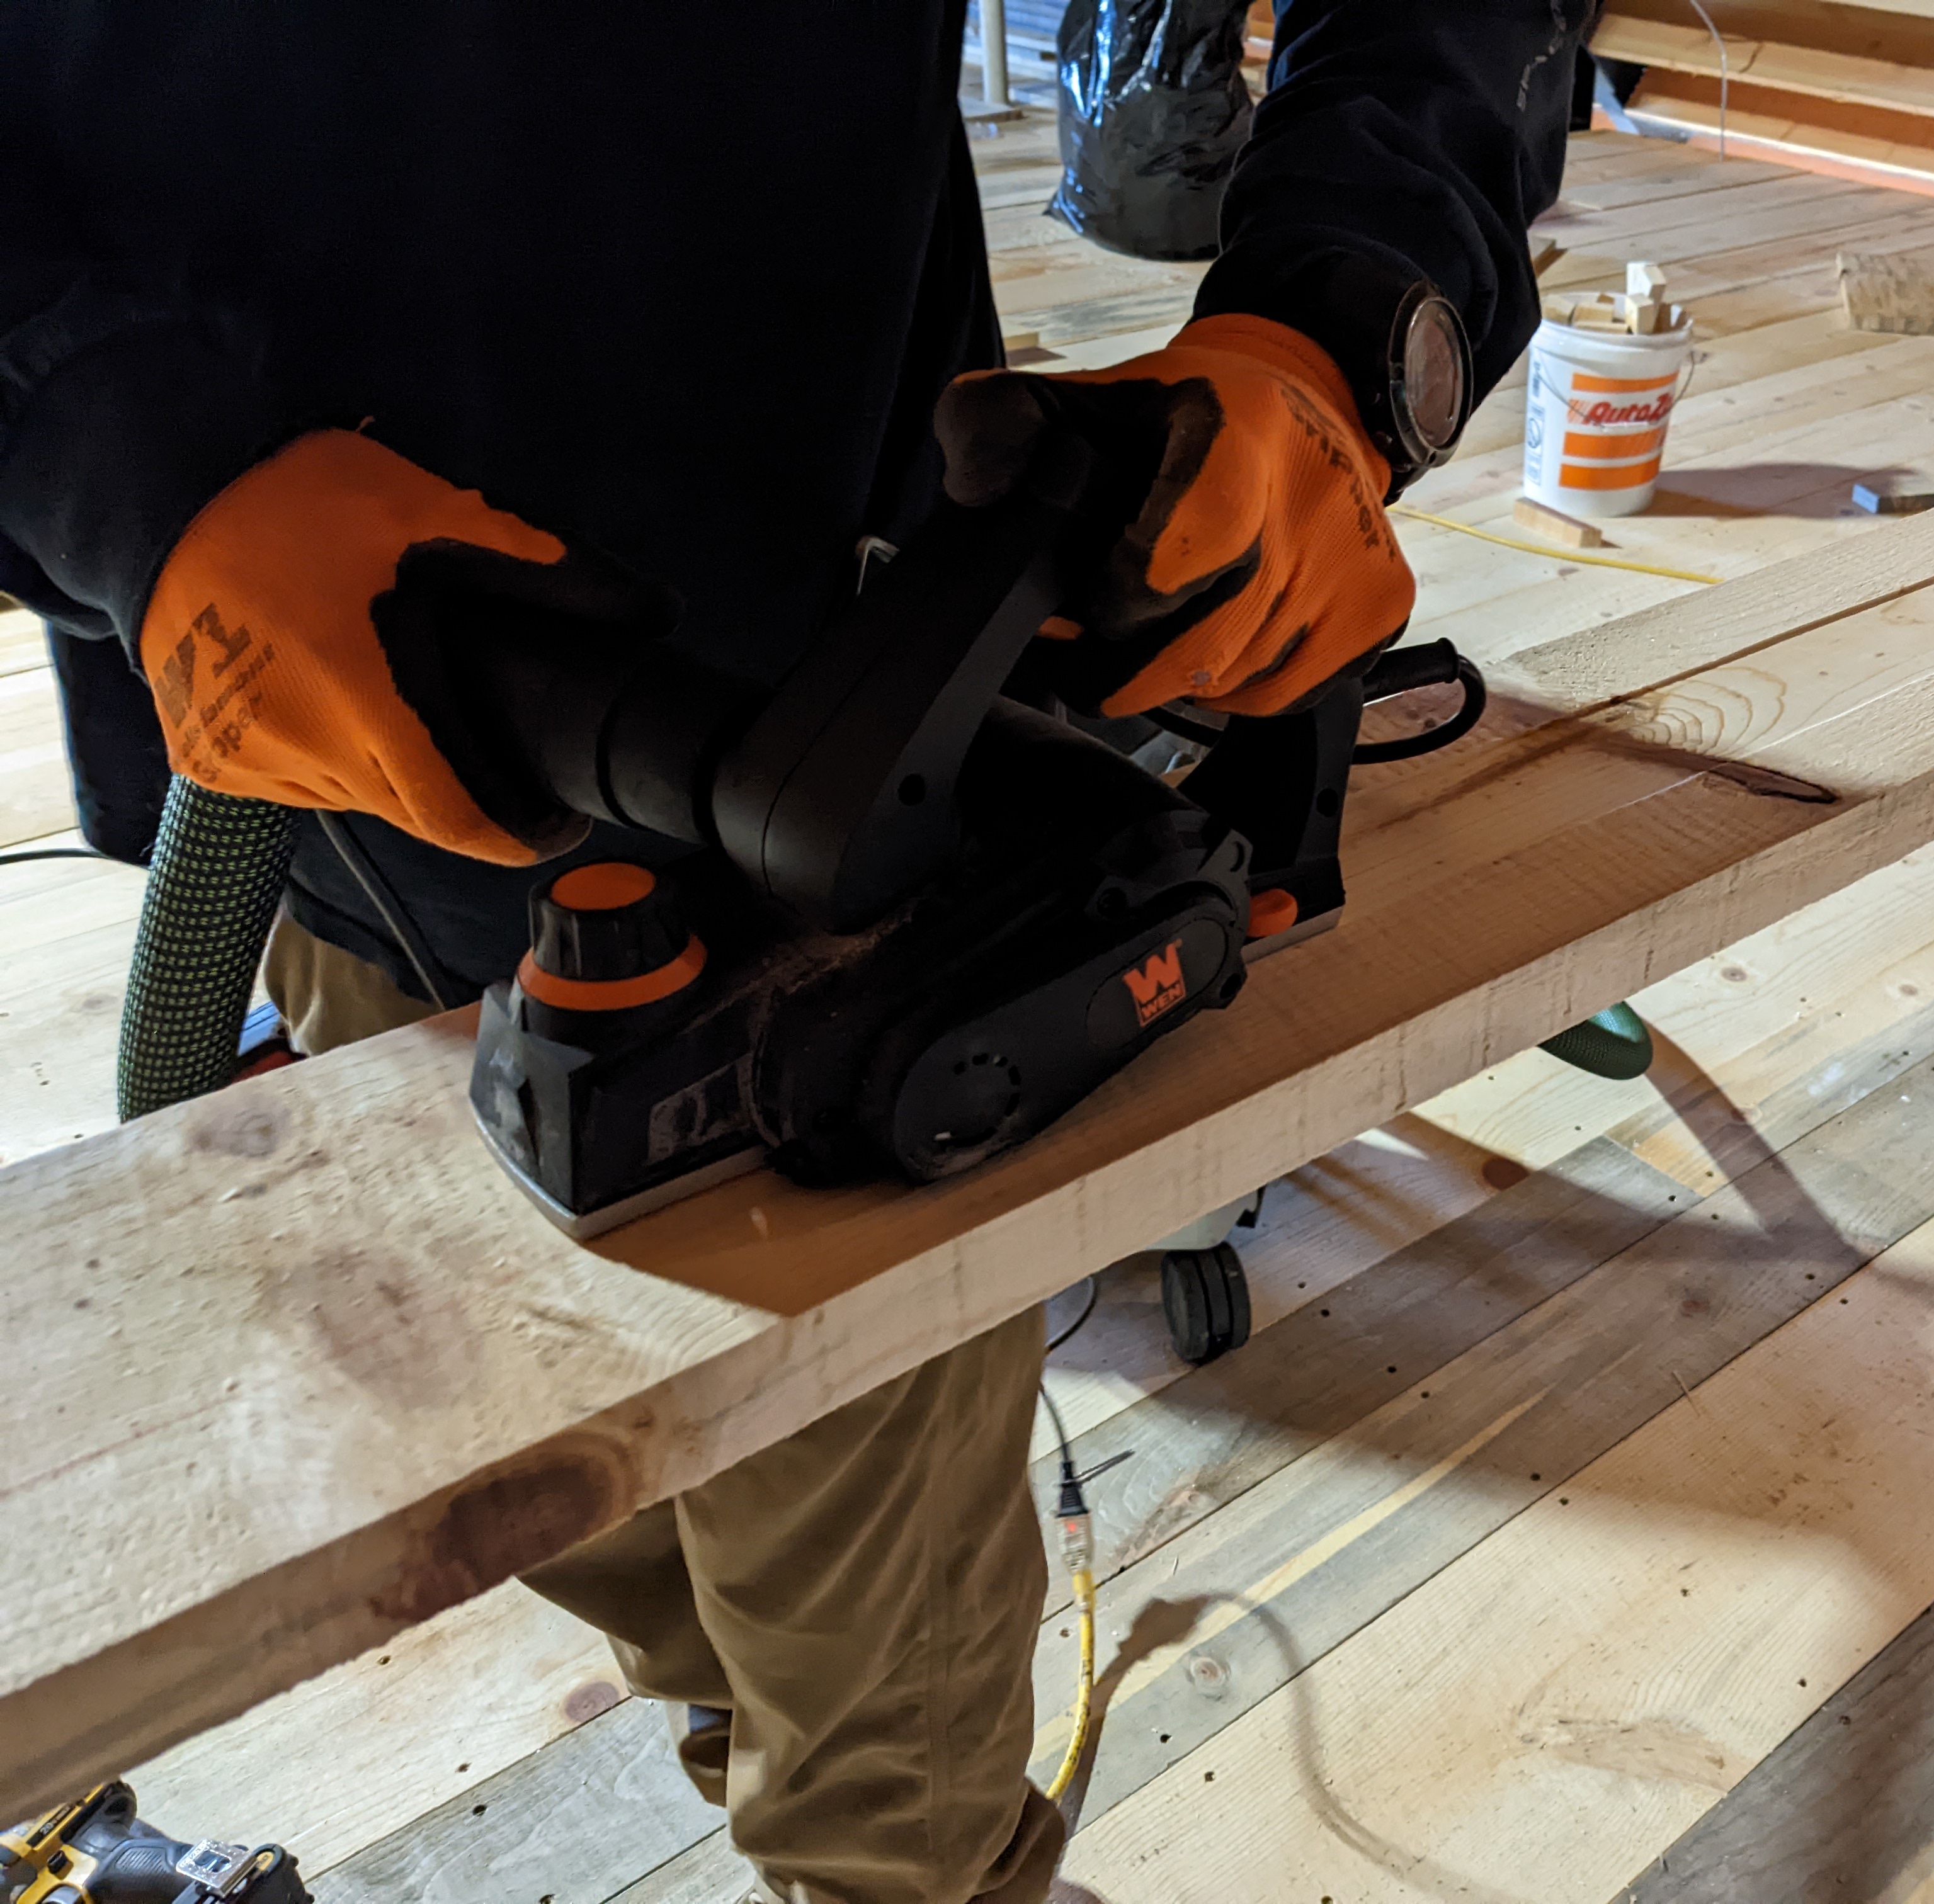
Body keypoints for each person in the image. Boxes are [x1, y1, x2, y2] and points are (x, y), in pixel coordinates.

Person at [0, 5, 1596, 1899]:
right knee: (591, 1511)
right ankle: (726, 1721)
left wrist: (1339, 319)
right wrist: (111, 452)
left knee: (879, 1757)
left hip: (847, 830)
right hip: (308, 733)